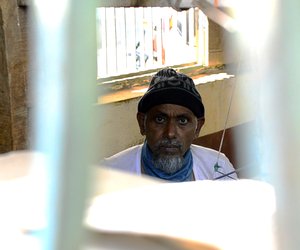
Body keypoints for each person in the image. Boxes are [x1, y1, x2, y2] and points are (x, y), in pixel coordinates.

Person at [101, 68, 237, 181]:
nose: (170, 133)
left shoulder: (218, 168)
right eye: (160, 119)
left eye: (182, 121)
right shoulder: (111, 173)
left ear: (198, 128)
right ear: (142, 123)